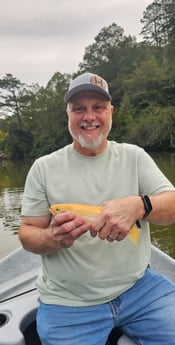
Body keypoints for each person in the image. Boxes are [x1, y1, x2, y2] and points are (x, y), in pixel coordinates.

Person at [19, 72, 175, 345]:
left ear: (111, 112)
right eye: (79, 109)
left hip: (140, 288)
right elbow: (28, 232)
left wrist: (141, 204)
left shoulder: (134, 157)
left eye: (98, 107)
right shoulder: (43, 168)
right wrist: (51, 238)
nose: (89, 116)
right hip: (68, 302)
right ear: (67, 114)